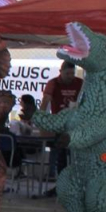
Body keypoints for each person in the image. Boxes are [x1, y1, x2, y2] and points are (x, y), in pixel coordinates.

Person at [41, 61, 84, 195]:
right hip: (60, 126)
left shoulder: (80, 83)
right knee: (61, 156)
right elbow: (45, 101)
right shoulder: (53, 83)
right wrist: (41, 119)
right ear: (61, 72)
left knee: (78, 157)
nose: (70, 76)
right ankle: (60, 185)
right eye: (67, 73)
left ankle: (76, 187)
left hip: (76, 126)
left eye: (72, 73)